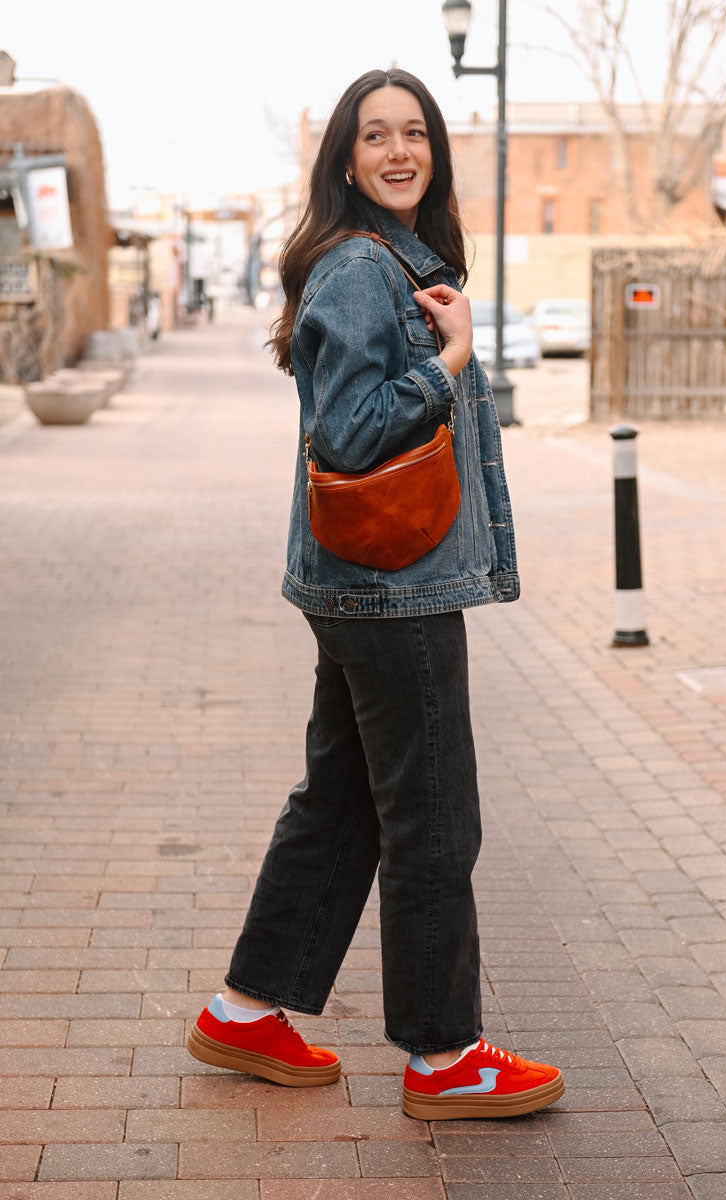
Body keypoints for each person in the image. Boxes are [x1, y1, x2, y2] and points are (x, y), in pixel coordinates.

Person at [187, 67, 564, 1121]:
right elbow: (348, 433)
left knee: (345, 800)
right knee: (434, 817)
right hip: (389, 586)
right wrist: (446, 362)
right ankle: (444, 1059)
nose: (398, 152)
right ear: (344, 160)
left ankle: (244, 1010)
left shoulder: (389, 261)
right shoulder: (361, 269)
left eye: (414, 134)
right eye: (374, 136)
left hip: (361, 578)